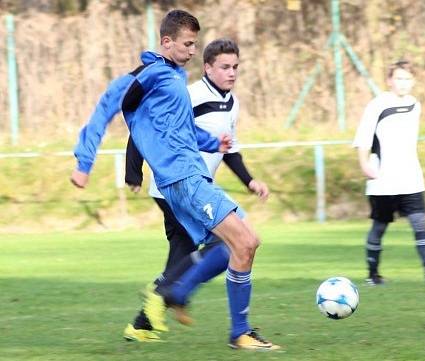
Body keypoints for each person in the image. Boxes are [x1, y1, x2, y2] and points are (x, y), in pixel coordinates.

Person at [70, 10, 279, 350]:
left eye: (194, 44)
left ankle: (178, 293)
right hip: (182, 179)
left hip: (193, 175)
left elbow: (179, 129)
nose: (191, 51)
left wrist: (215, 143)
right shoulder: (148, 74)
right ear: (166, 42)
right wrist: (85, 161)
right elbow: (108, 105)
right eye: (187, 45)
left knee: (239, 244)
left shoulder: (174, 76)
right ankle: (234, 329)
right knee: (242, 243)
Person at [124, 38, 270, 342]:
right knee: (228, 245)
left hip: (199, 188)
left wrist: (250, 181)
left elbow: (228, 149)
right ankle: (175, 293)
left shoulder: (233, 103)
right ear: (207, 67)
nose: (231, 73)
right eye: (225, 67)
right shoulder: (190, 95)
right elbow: (147, 124)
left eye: (236, 67)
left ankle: (143, 323)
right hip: (177, 188)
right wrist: (133, 170)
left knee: (186, 255)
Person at [352, 60, 425, 286]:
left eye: (407, 79)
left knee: (420, 223)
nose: (403, 83)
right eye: (398, 78)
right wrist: (364, 164)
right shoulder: (377, 104)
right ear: (389, 81)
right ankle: (373, 275)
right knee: (379, 226)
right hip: (382, 179)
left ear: (413, 81)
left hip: (410, 178)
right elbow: (364, 137)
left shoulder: (415, 104)